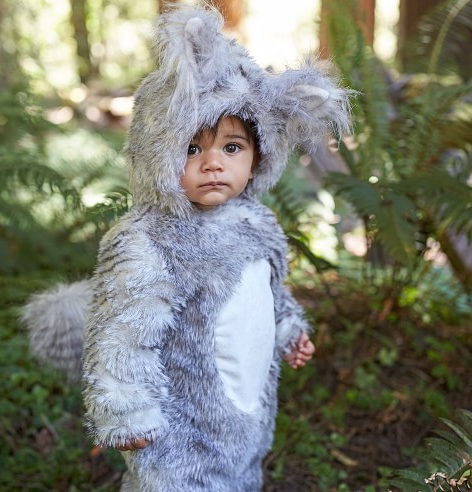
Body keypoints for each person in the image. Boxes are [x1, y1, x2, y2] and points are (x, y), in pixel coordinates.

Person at [22, 3, 350, 491]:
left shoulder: (257, 222)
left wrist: (288, 329)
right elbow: (124, 330)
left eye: (232, 147)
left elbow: (267, 295)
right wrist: (128, 410)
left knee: (242, 472)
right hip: (181, 428)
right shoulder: (148, 240)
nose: (212, 163)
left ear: (259, 155)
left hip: (244, 412)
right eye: (191, 148)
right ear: (157, 151)